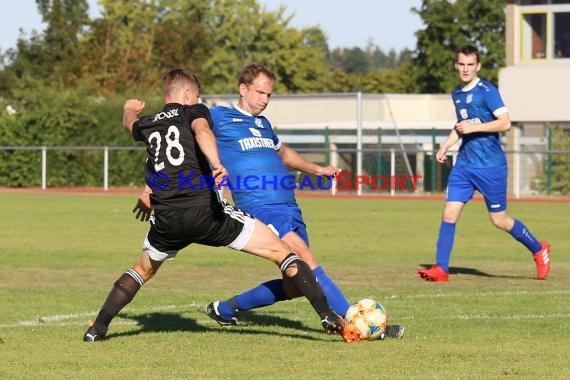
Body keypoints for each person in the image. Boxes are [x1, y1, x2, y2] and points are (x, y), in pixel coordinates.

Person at [83, 69, 360, 343]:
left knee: (141, 270)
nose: (265, 99)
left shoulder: (151, 122)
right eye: (198, 95)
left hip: (167, 217)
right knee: (285, 253)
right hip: (208, 213)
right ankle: (331, 315)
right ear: (189, 94)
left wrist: (128, 108)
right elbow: (202, 132)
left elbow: (133, 128)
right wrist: (216, 163)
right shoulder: (198, 112)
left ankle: (98, 327)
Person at [418, 45, 551, 283]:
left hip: (491, 166)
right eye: (462, 64)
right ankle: (441, 269)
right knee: (449, 212)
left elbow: (505, 123)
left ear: (477, 66)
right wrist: (445, 145)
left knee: (498, 219)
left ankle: (538, 248)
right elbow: (460, 125)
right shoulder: (457, 94)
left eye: (470, 64)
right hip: (465, 166)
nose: (465, 69)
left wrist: (474, 127)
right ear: (456, 65)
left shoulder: (487, 91)